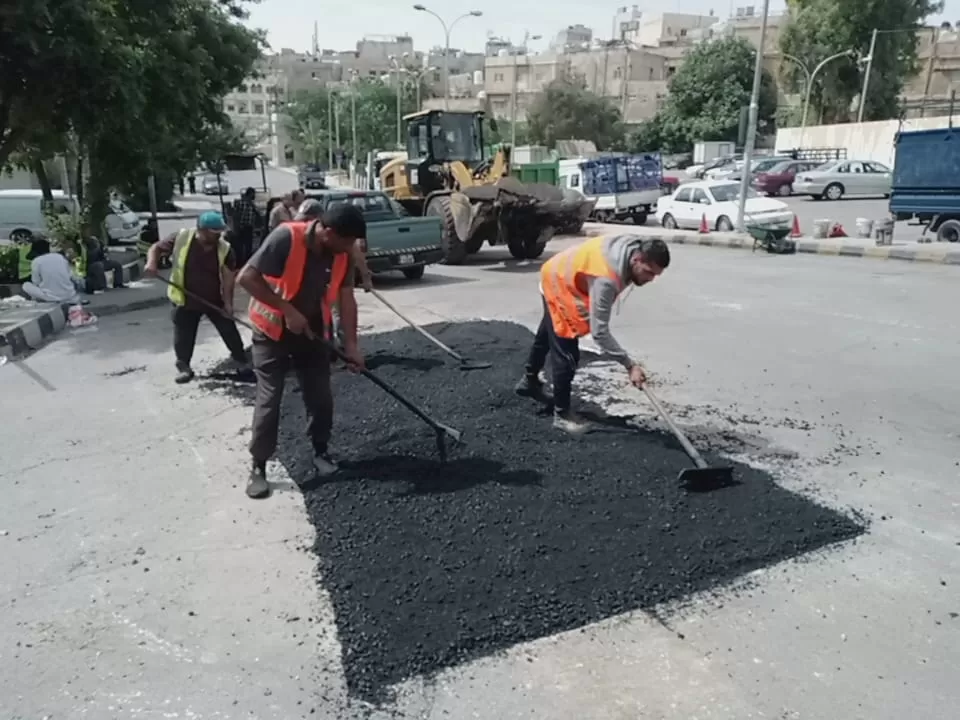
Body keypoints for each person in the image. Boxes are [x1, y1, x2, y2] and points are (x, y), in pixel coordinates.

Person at [237, 203, 367, 500]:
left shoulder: (342, 254)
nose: (349, 249)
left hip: (312, 334)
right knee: (270, 397)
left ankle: (321, 452)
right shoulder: (286, 237)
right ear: (328, 232)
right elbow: (247, 277)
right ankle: (258, 466)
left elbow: (347, 301)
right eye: (346, 242)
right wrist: (286, 310)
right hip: (271, 332)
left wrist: (352, 346)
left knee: (321, 395)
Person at [515, 235, 671, 435]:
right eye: (648, 272)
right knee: (567, 352)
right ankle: (561, 415)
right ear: (636, 259)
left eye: (656, 275)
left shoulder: (632, 245)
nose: (650, 279)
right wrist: (629, 365)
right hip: (559, 283)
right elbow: (600, 332)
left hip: (557, 271)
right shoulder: (606, 279)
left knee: (547, 333)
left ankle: (529, 381)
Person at [144, 211, 249, 384]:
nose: (219, 235)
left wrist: (228, 304)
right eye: (214, 232)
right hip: (185, 298)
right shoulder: (181, 238)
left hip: (213, 298)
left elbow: (229, 278)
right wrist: (151, 263)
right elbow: (155, 248)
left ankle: (241, 361)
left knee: (228, 328)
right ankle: (184, 367)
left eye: (220, 232)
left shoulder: (225, 248)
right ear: (202, 230)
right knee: (184, 334)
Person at [21, 238, 83, 304]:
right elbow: (71, 276)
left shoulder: (36, 261)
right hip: (70, 296)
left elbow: (36, 282)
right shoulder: (60, 257)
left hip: (51, 297)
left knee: (26, 285)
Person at [231, 187, 260, 266]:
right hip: (242, 227)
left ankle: (247, 261)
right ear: (250, 194)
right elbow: (236, 215)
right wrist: (236, 227)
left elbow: (257, 214)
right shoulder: (241, 203)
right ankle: (240, 262)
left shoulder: (252, 204)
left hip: (249, 227)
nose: (255, 196)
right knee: (241, 246)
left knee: (248, 246)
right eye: (253, 194)